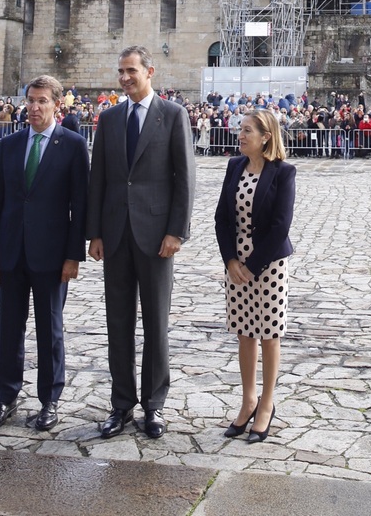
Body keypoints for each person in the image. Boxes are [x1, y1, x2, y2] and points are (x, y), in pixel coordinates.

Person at [87, 46, 195, 441]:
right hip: (115, 235)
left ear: (150, 71)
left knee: (156, 324)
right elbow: (98, 178)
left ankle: (154, 404)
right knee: (118, 323)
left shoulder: (173, 115)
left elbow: (184, 178)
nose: (124, 78)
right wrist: (94, 232)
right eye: (120, 72)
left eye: (131, 71)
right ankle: (120, 404)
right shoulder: (110, 118)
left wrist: (176, 231)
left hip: (156, 239)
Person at [0, 74, 89, 432]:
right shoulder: (10, 144)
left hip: (52, 256)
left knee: (49, 329)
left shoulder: (72, 145)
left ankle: (49, 400)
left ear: (57, 103)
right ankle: (4, 398)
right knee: (9, 329)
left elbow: (80, 206)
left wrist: (73, 255)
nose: (34, 107)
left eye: (42, 101)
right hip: (11, 252)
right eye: (30, 100)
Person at [215, 108, 296, 443]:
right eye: (241, 129)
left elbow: (281, 226)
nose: (241, 134)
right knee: (243, 332)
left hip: (269, 263)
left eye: (248, 130)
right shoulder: (235, 167)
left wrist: (252, 265)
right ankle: (248, 399)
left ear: (266, 136)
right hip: (237, 262)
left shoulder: (283, 172)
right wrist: (231, 260)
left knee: (268, 333)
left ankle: (266, 403)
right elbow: (221, 217)